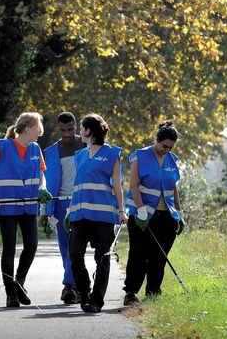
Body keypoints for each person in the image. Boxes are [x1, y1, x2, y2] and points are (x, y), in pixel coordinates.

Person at [0, 112, 53, 307]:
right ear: (27, 128)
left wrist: (43, 187)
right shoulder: (3, 147)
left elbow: (41, 175)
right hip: (7, 206)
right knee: (9, 249)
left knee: (31, 246)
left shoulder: (36, 149)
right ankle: (10, 293)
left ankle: (19, 283)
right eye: (38, 127)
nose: (40, 131)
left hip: (29, 205)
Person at [64, 113, 127, 313]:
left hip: (103, 216)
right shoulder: (80, 155)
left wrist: (121, 210)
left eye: (82, 128)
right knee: (74, 255)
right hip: (80, 214)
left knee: (102, 258)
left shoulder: (112, 153)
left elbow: (117, 185)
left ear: (89, 130)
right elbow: (78, 185)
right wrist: (69, 212)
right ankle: (84, 292)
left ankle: (96, 301)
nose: (79, 132)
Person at [122, 120, 184, 306]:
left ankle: (153, 294)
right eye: (164, 146)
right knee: (139, 255)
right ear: (156, 139)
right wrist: (140, 210)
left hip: (167, 217)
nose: (166, 150)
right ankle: (131, 293)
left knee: (159, 257)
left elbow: (173, 187)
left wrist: (180, 213)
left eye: (170, 147)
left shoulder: (172, 160)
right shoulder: (140, 156)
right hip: (143, 216)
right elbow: (133, 185)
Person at [41, 112, 85, 304]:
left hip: (82, 202)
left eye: (71, 129)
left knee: (75, 247)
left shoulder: (86, 146)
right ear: (58, 128)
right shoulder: (50, 152)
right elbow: (46, 184)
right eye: (63, 130)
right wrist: (44, 213)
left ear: (76, 127)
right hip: (59, 204)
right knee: (65, 248)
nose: (67, 134)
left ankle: (69, 285)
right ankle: (77, 286)